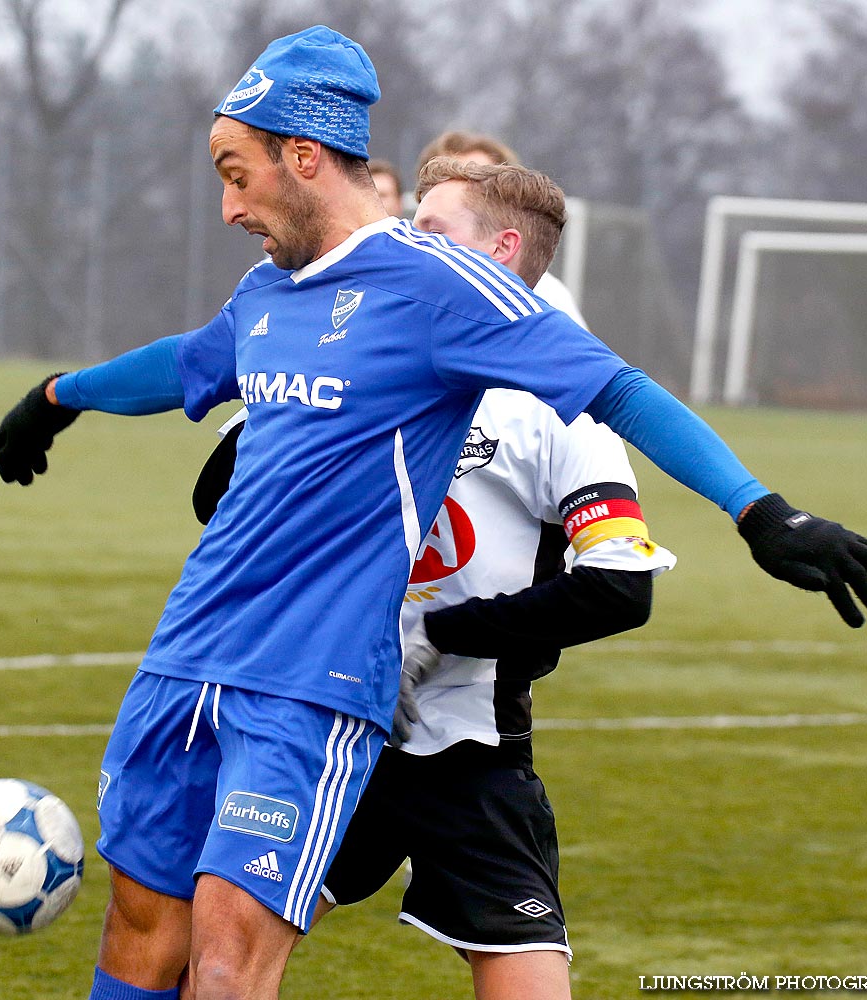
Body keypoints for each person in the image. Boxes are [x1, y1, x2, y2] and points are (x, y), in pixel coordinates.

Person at [0, 25, 867, 1000]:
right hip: (185, 656)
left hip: (312, 684)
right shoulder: (266, 293)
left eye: (237, 173)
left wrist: (759, 509)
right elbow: (187, 364)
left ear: (302, 157)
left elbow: (617, 390)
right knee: (138, 937)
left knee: (224, 960)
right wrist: (60, 395)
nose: (228, 206)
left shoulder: (442, 286)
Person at [194, 156, 678, 1000]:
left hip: (471, 751)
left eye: (427, 231)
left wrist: (435, 637)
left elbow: (618, 587)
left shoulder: (562, 409)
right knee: (210, 964)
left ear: (495, 254)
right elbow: (217, 499)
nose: (404, 245)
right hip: (328, 727)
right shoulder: (374, 363)